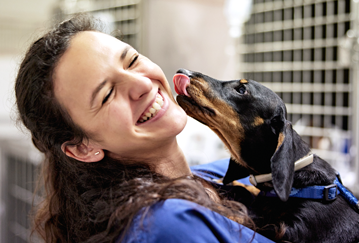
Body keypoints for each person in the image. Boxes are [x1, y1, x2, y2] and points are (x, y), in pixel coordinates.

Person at [15, 14, 275, 243]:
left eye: (131, 60)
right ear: (83, 147)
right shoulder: (165, 226)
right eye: (106, 95)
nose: (141, 84)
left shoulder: (209, 177)